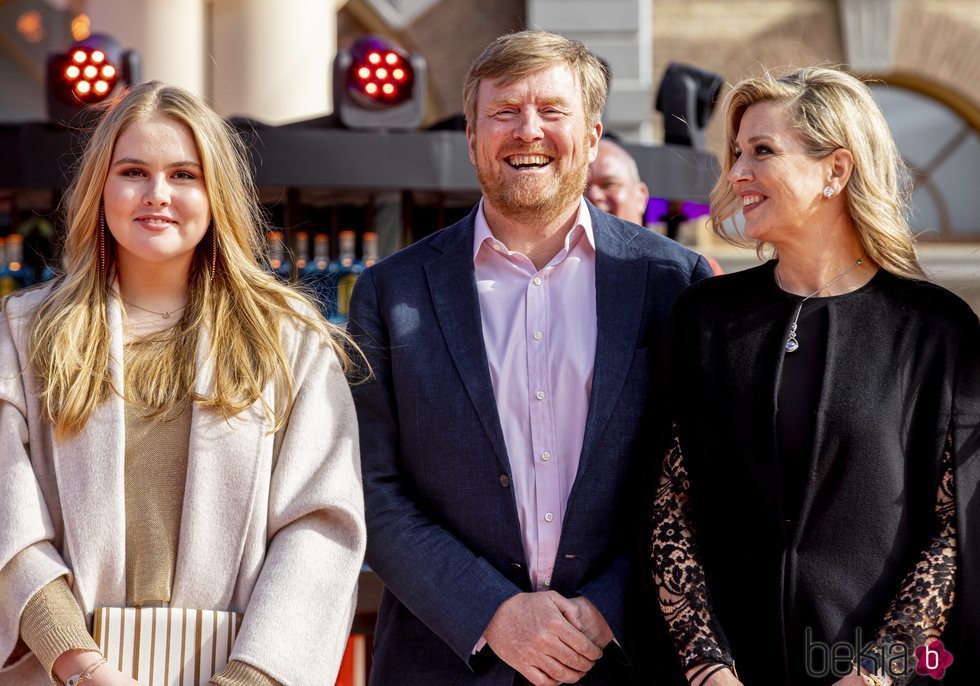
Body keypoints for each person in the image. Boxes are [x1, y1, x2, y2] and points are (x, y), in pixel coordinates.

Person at [348, 31, 712, 686]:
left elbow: (702, 482)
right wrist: (492, 611)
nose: (528, 131)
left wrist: (605, 609)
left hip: (623, 661)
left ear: (593, 134)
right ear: (472, 136)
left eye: (551, 111)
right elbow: (370, 487)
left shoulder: (672, 284)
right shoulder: (391, 291)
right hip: (443, 661)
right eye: (506, 112)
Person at [0, 82, 366, 686]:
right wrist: (81, 664)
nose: (157, 195)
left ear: (215, 192)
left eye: (184, 174)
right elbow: (9, 524)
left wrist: (247, 680)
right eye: (134, 171)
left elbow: (320, 529)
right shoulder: (25, 334)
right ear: (100, 188)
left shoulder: (288, 339)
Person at [648, 66, 980, 686]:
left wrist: (878, 672)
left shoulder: (936, 329)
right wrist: (705, 666)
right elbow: (669, 505)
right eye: (737, 153)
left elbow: (954, 525)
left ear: (836, 170)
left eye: (762, 152)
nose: (737, 173)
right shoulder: (704, 319)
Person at [586, 137, 724, 275]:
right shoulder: (568, 268)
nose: (593, 195)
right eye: (582, 188)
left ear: (640, 196)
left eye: (608, 184)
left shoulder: (691, 270)